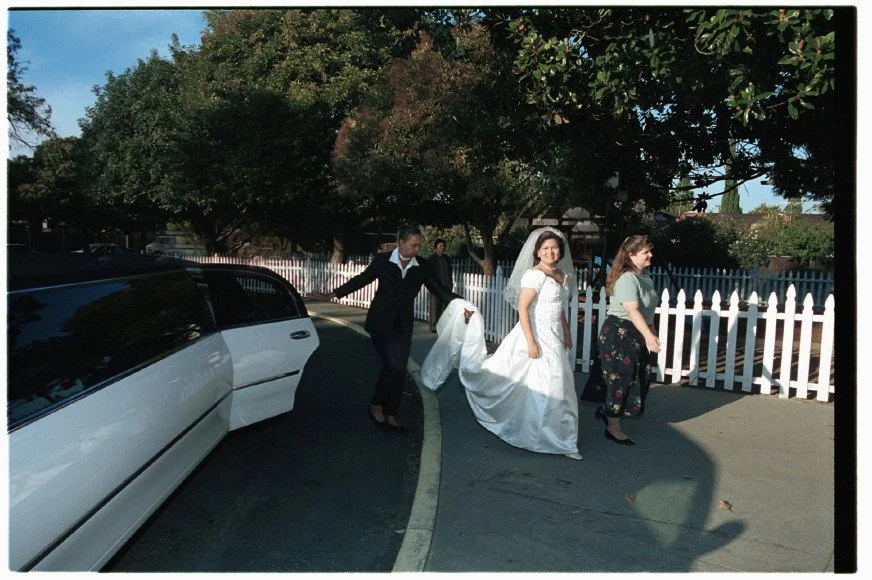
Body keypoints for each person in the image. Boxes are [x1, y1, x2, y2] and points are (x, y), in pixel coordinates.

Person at [421, 227, 582, 460]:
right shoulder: (534, 275)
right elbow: (523, 309)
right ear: (537, 252)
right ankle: (553, 438)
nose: (550, 252)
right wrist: (531, 342)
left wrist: (566, 332)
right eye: (545, 248)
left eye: (554, 248)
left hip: (555, 335)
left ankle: (559, 436)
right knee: (549, 381)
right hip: (535, 334)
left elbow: (560, 309)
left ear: (561, 251)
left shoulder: (562, 276)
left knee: (557, 383)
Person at [309, 225, 467, 432]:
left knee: (399, 368)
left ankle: (391, 412)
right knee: (394, 365)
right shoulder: (383, 261)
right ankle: (376, 404)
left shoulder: (422, 266)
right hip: (380, 322)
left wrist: (464, 304)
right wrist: (331, 295)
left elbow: (439, 290)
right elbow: (361, 280)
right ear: (401, 243)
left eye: (419, 245)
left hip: (403, 324)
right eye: (413, 245)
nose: (417, 250)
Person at [595, 234, 660, 446]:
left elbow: (647, 311)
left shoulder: (645, 276)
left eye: (650, 250)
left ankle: (608, 410)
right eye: (645, 252)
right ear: (631, 255)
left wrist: (651, 332)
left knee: (638, 377)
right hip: (619, 333)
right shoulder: (626, 279)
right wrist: (649, 336)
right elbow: (631, 310)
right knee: (619, 379)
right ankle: (613, 427)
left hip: (637, 332)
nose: (650, 255)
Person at [428, 238, 453, 332]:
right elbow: (429, 274)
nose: (442, 248)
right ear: (436, 248)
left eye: (443, 246)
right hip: (435, 286)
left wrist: (450, 284)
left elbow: (449, 272)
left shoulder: (447, 258)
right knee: (435, 306)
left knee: (445, 306)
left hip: (446, 286)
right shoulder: (431, 259)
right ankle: (433, 325)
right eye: (440, 246)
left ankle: (442, 325)